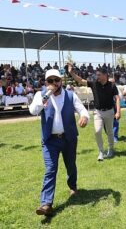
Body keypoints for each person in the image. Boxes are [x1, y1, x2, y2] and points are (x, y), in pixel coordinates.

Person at [29, 69, 89, 216]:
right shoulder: (40, 95)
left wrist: (85, 117)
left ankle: (73, 186)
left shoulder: (70, 95)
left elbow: (82, 110)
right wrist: (45, 97)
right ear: (46, 82)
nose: (54, 83)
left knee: (70, 164)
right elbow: (33, 111)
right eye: (50, 81)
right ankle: (46, 204)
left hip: (69, 138)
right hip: (50, 140)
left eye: (57, 80)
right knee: (50, 169)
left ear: (61, 81)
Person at [68, 64, 121, 161]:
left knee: (110, 132)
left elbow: (117, 98)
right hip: (98, 112)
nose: (97, 77)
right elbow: (80, 80)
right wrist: (71, 73)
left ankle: (110, 149)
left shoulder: (112, 85)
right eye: (97, 75)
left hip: (110, 112)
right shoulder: (94, 84)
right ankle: (101, 151)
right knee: (97, 131)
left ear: (105, 75)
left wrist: (118, 111)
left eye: (99, 75)